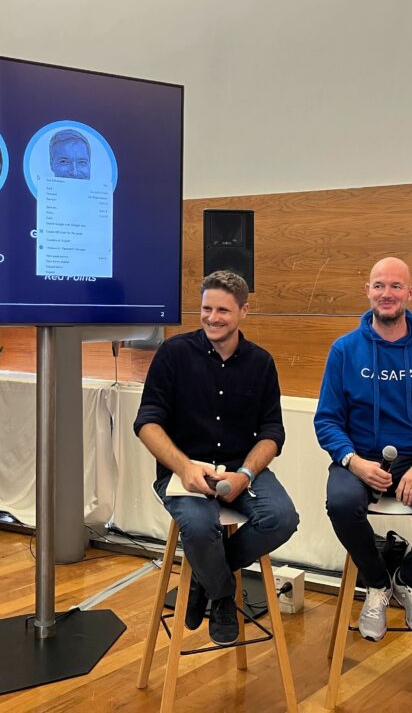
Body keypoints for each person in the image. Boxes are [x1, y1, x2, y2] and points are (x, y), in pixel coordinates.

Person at [134, 270, 300, 645]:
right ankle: (223, 594)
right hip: (184, 471)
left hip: (240, 470)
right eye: (206, 308)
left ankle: (205, 580)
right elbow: (146, 423)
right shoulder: (174, 354)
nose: (212, 318)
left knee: (282, 519)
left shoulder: (261, 362)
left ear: (244, 310)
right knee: (197, 526)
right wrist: (184, 466)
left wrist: (245, 473)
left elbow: (273, 432)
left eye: (223, 310)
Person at [314, 256, 412, 641]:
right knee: (341, 504)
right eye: (379, 286)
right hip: (360, 460)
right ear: (367, 291)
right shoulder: (344, 350)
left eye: (396, 286)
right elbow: (327, 420)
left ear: (410, 293)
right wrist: (352, 462)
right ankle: (377, 583)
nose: (387, 294)